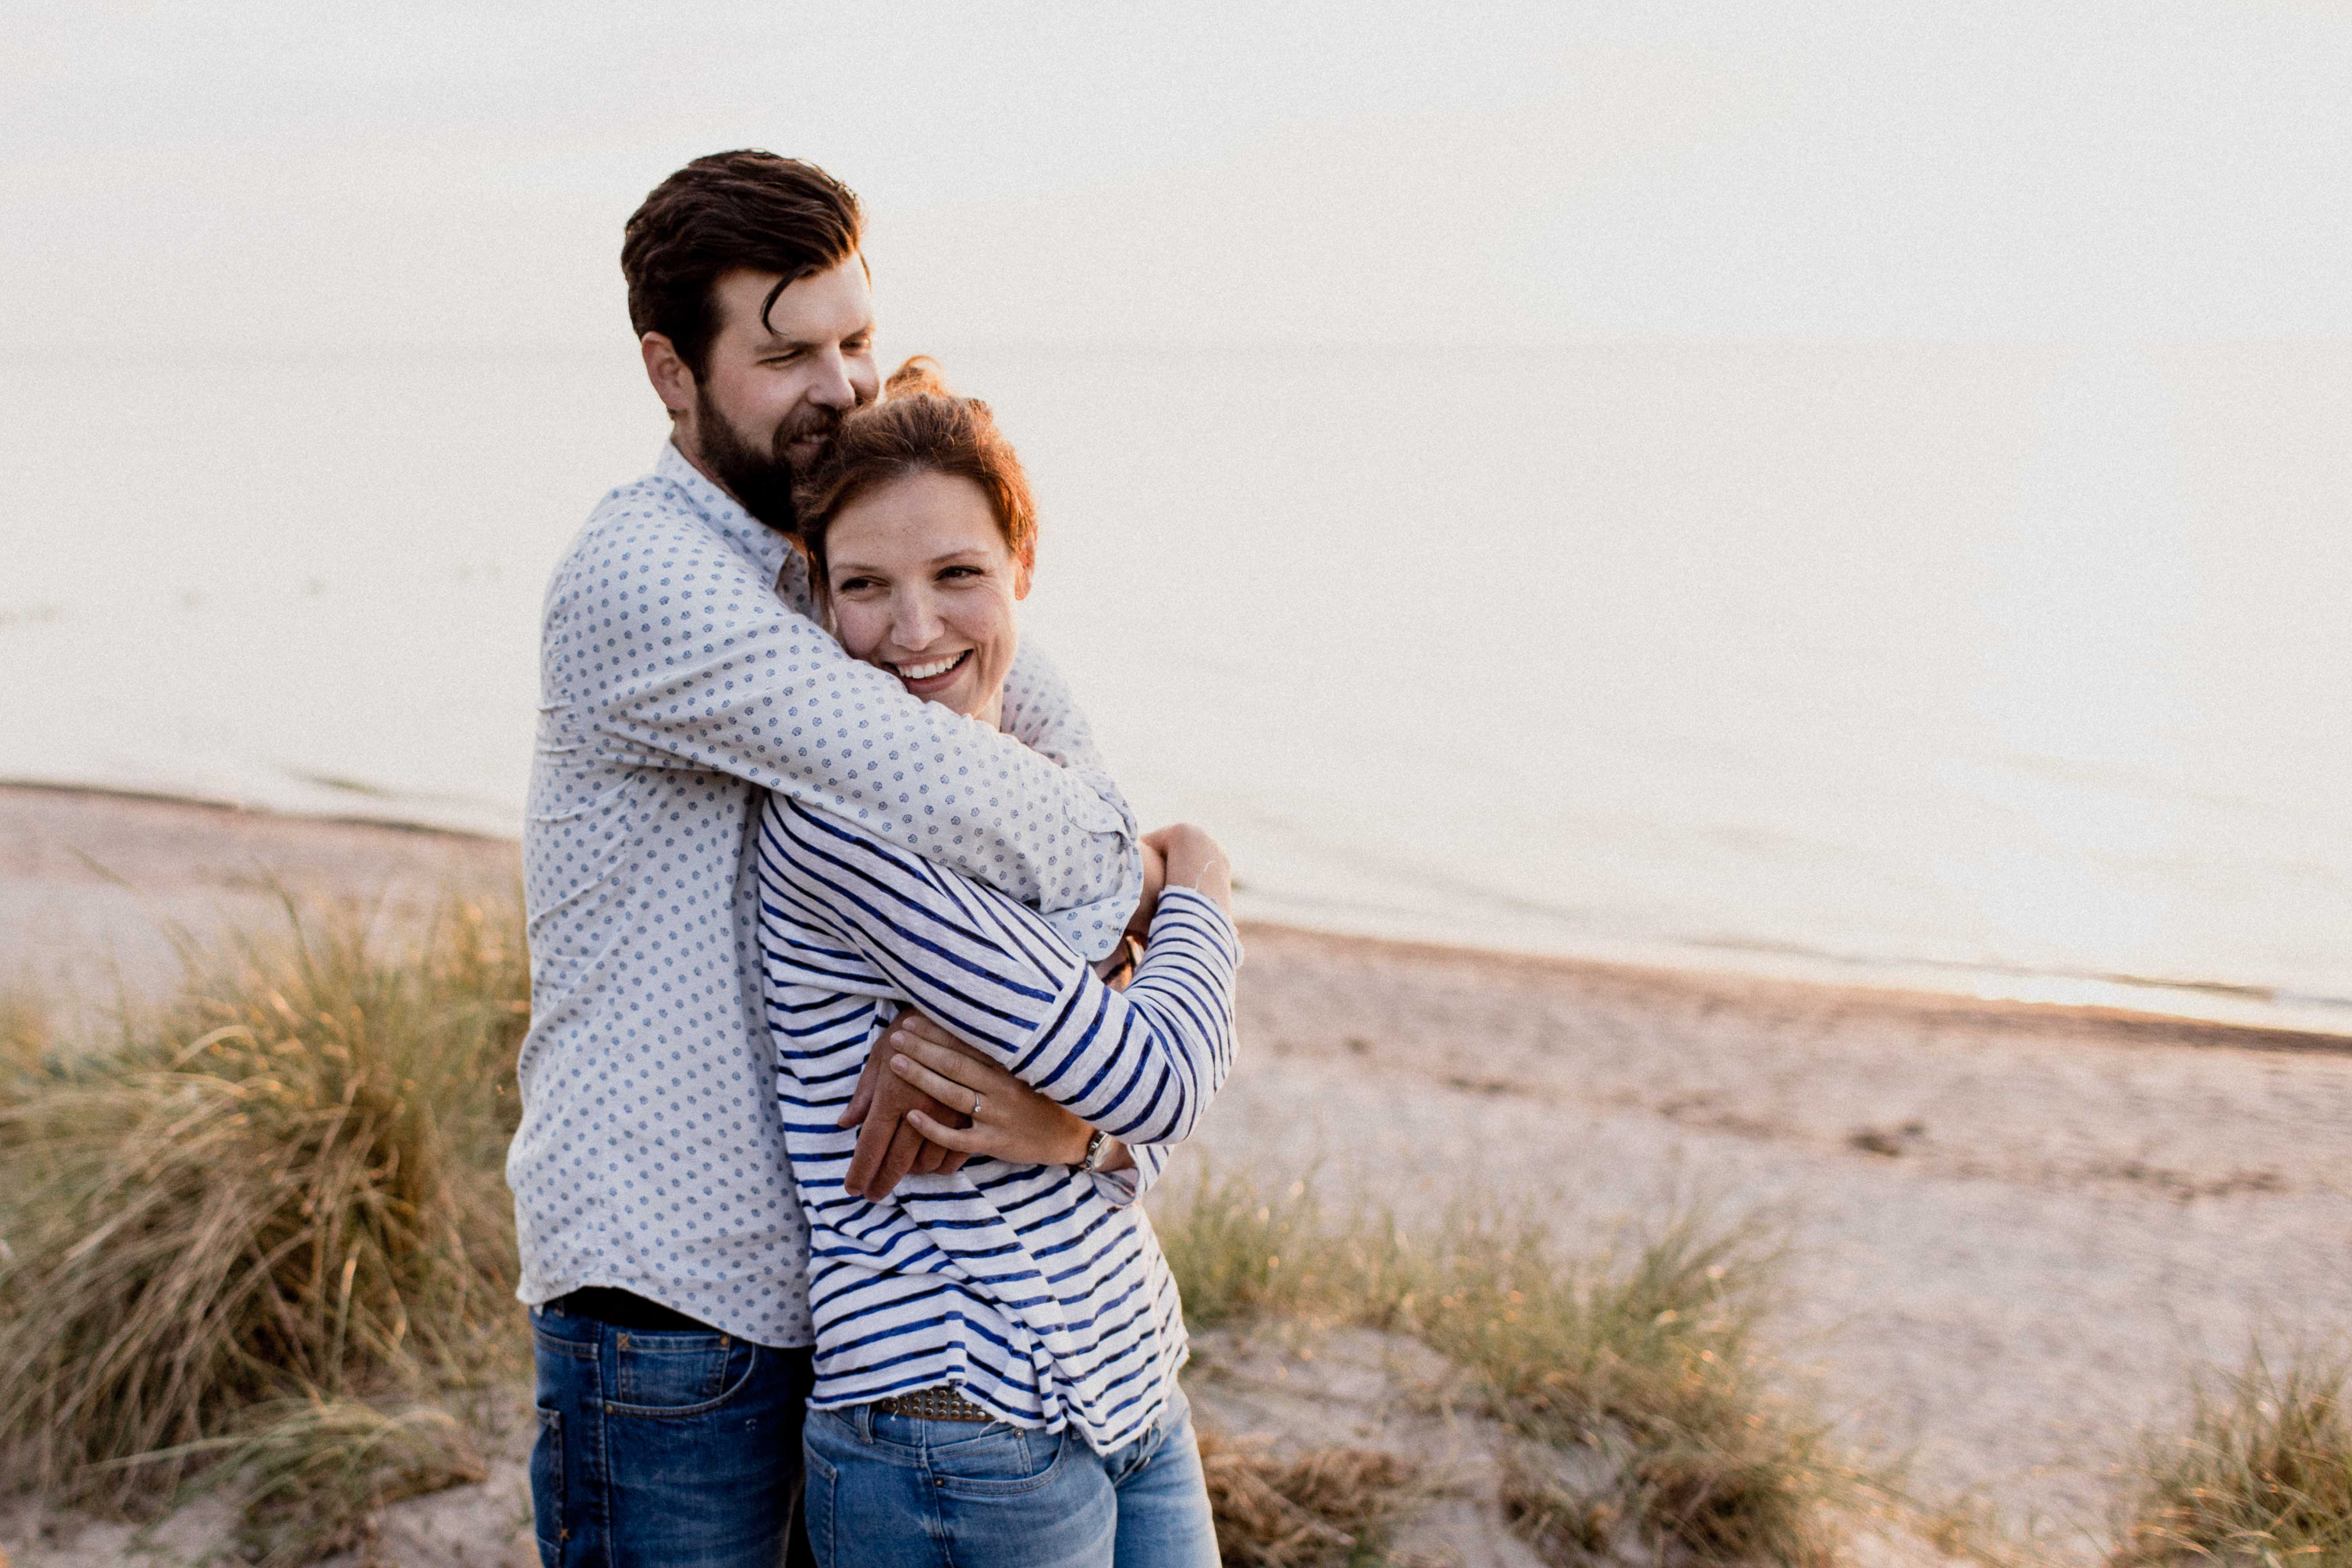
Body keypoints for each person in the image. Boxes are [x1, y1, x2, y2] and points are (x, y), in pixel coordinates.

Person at [511, 152, 1160, 1568]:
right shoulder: (651, 578)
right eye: (787, 351)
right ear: (670, 374)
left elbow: (1071, 785)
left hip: (862, 1306)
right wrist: (1177, 883)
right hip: (672, 1312)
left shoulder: (855, 545)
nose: (844, 386)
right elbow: (1035, 817)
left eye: (857, 338)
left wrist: (1080, 1113)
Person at [757, 361, 1236, 1568]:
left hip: (1125, 1371)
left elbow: (1133, 1105)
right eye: (865, 586)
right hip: (955, 1414)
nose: (913, 630)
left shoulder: (1038, 784)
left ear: (1023, 569)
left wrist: (1073, 1129)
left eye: (957, 574)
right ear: (817, 597)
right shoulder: (838, 819)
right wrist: (1202, 883)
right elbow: (1164, 1078)